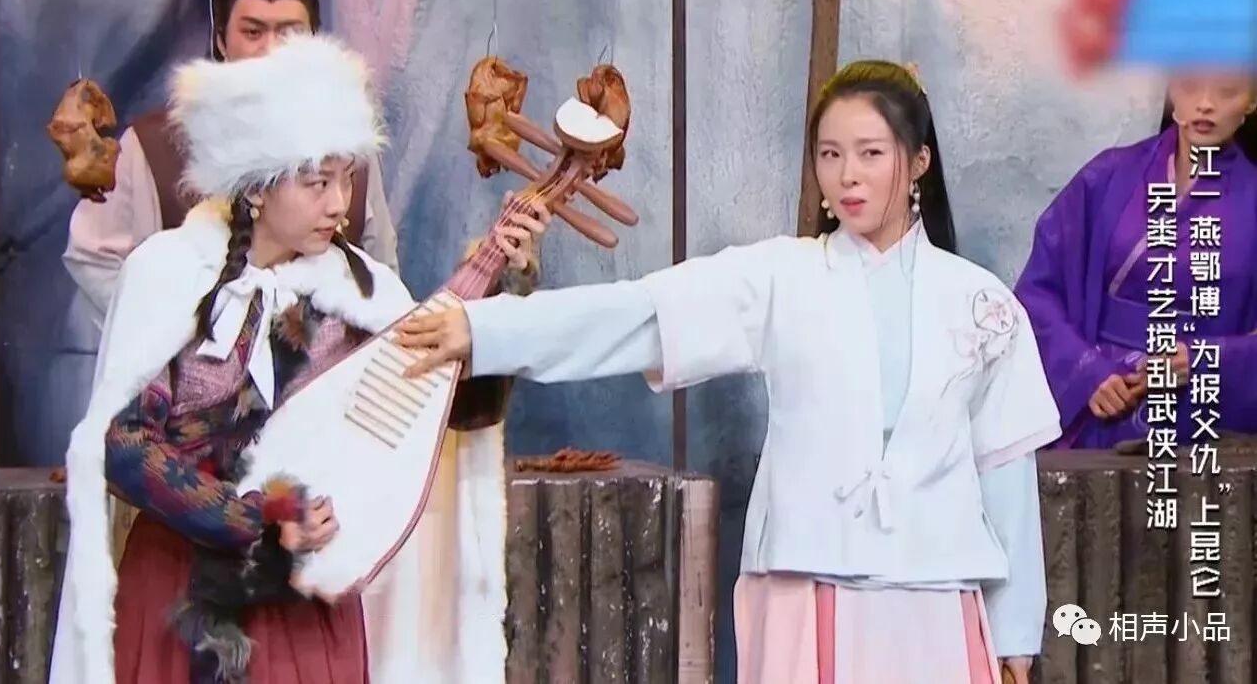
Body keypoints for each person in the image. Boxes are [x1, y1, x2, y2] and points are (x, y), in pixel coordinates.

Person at [395, 61, 1061, 683]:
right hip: (805, 586)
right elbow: (640, 316)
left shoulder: (982, 304)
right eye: (830, 155)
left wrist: (1015, 635)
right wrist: (485, 331)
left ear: (918, 162)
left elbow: (1005, 475)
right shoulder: (782, 277)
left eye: (870, 153)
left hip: (937, 600)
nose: (847, 176)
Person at [48, 34, 547, 684]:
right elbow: (123, 446)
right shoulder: (170, 273)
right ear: (256, 186)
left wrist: (504, 294)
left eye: (347, 177)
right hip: (184, 597)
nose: (339, 202)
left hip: (307, 608)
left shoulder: (361, 291)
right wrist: (254, 517)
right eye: (317, 182)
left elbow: (454, 413)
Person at [62, 0, 401, 331]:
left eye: (290, 34)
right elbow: (94, 257)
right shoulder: (154, 144)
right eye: (253, 32)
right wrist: (171, 333)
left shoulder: (348, 140)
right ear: (222, 41)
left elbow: (380, 258)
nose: (272, 49)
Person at [1015, 71, 1257, 450]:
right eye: (1191, 85)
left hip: (1195, 418)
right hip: (1098, 401)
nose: (1205, 104)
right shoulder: (1108, 176)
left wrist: (1206, 359)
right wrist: (1086, 373)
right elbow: (1038, 292)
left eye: (1227, 91)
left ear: (1251, 102)